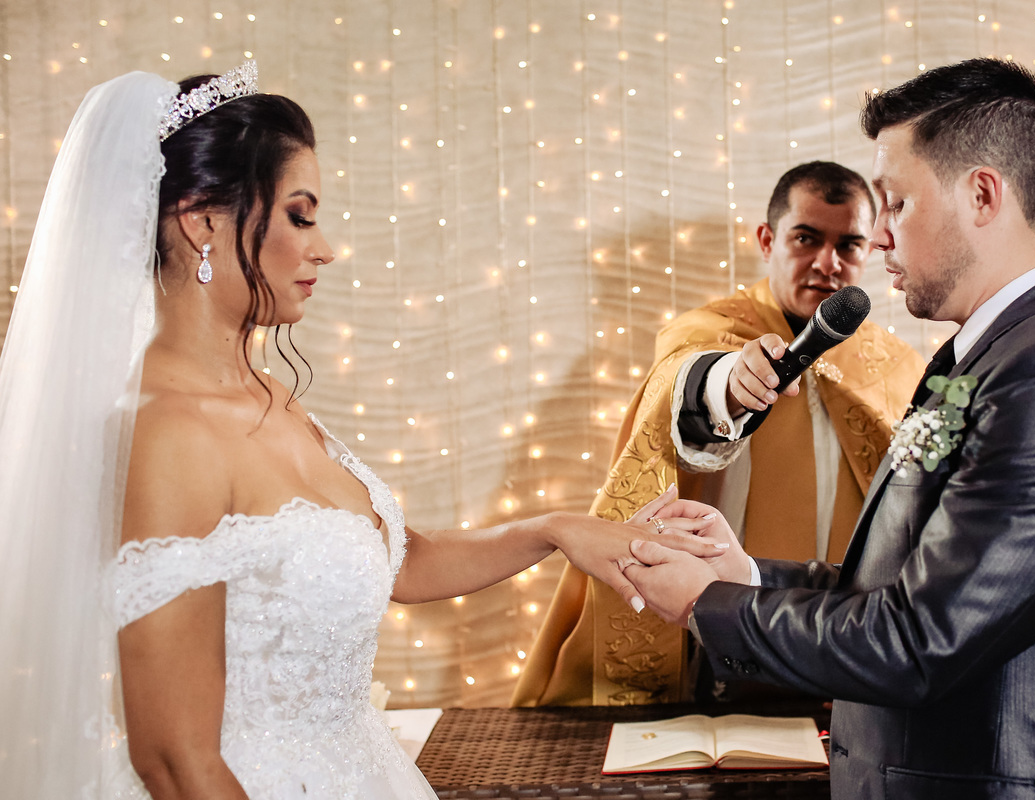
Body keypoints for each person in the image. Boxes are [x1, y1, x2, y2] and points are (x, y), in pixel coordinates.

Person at [0, 65, 723, 800]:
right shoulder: (167, 435)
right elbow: (176, 763)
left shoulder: (269, 394)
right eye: (300, 215)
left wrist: (557, 531)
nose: (325, 248)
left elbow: (396, 561)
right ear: (202, 220)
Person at [622, 57, 1035, 799]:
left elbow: (921, 641)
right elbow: (893, 589)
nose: (876, 241)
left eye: (896, 205)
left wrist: (704, 603)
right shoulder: (987, 352)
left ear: (983, 194)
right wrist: (741, 575)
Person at [513, 162, 924, 707]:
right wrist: (728, 385)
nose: (827, 263)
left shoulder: (897, 365)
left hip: (832, 634)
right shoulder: (712, 331)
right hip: (708, 623)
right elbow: (688, 379)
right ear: (767, 239)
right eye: (806, 238)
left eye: (849, 245)